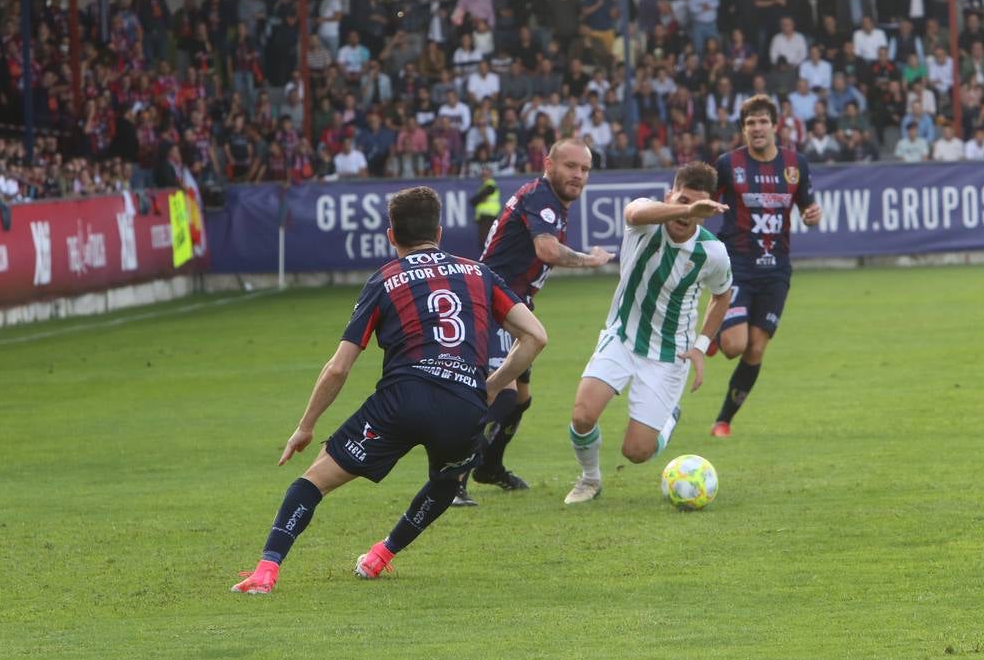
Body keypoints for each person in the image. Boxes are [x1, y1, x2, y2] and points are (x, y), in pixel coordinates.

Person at [230, 187, 548, 593]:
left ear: (390, 236)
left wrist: (306, 426)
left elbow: (338, 367)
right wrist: (490, 387)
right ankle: (381, 556)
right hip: (463, 406)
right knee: (447, 480)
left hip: (402, 401)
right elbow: (535, 336)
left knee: (312, 482)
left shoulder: (385, 280)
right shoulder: (479, 273)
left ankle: (266, 570)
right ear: (440, 230)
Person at [563, 163, 734, 504]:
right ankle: (590, 480)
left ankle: (668, 417)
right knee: (582, 416)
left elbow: (722, 295)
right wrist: (688, 207)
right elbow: (634, 211)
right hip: (622, 336)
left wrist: (701, 345)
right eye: (683, 200)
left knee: (637, 452)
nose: (687, 213)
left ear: (708, 212)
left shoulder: (713, 253)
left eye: (698, 207)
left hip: (670, 356)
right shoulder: (642, 223)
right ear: (669, 195)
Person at [466, 138, 615, 504]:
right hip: (494, 301)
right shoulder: (542, 197)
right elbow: (546, 250)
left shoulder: (552, 201)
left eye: (584, 169)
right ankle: (453, 476)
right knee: (501, 395)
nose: (578, 175)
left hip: (516, 304)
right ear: (549, 164)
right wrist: (588, 260)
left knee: (520, 399)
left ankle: (489, 467)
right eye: (570, 166)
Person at [706, 95, 821, 436]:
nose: (756, 128)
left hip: (776, 271)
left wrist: (812, 215)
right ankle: (713, 332)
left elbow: (807, 207)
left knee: (756, 348)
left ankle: (723, 420)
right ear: (743, 130)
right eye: (750, 123)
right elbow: (705, 197)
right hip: (738, 265)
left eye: (762, 122)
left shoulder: (795, 163)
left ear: (774, 125)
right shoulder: (728, 164)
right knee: (735, 347)